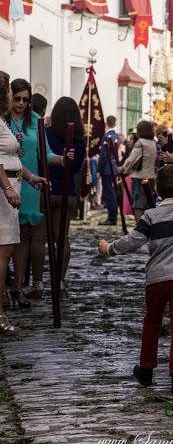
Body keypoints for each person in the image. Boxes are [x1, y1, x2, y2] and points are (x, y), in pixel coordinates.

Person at [97, 165, 173, 396]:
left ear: (156, 189)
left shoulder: (150, 216)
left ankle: (146, 369)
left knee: (152, 323)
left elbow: (132, 241)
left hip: (157, 279)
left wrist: (109, 248)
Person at [8, 79, 65, 307]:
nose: (21, 103)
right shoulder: (3, 119)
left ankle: (18, 286)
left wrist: (62, 159)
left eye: (25, 99)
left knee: (23, 238)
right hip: (6, 181)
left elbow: (46, 153)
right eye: (17, 98)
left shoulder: (35, 121)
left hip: (29, 187)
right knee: (6, 239)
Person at [0, 71, 45, 333]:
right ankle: (1, 313)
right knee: (3, 254)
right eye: (10, 93)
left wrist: (30, 177)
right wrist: (7, 187)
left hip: (14, 189)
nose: (16, 100)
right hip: (5, 194)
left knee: (6, 251)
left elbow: (12, 160)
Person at [29, 97, 85, 297]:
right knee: (62, 239)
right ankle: (59, 280)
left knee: (38, 237)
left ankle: (37, 282)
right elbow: (77, 167)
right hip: (66, 192)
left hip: (45, 188)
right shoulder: (79, 139)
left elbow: (40, 156)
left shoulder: (47, 133)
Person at [119, 120, 157, 224]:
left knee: (138, 205)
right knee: (148, 204)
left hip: (140, 177)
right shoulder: (152, 142)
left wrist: (123, 168)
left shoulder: (141, 143)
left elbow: (132, 158)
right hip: (150, 177)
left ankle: (140, 229)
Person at [97, 116, 120, 226]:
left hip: (106, 168)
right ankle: (113, 216)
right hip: (114, 168)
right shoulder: (116, 136)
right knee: (112, 192)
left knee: (109, 193)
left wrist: (99, 169)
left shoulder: (106, 136)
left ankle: (112, 218)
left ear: (106, 123)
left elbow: (103, 155)